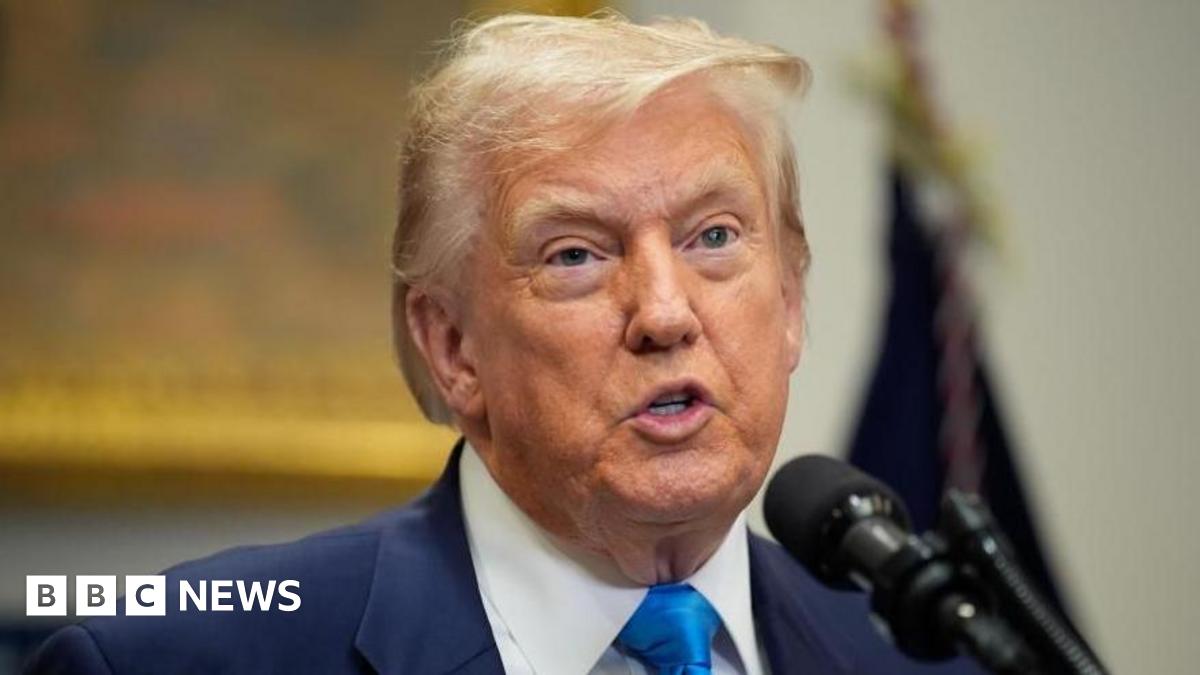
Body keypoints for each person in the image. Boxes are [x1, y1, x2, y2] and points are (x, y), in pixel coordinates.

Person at [28, 13, 981, 675]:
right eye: (574, 253)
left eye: (715, 237)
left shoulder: (919, 652)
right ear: (453, 348)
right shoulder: (166, 655)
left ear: (791, 306)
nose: (664, 311)